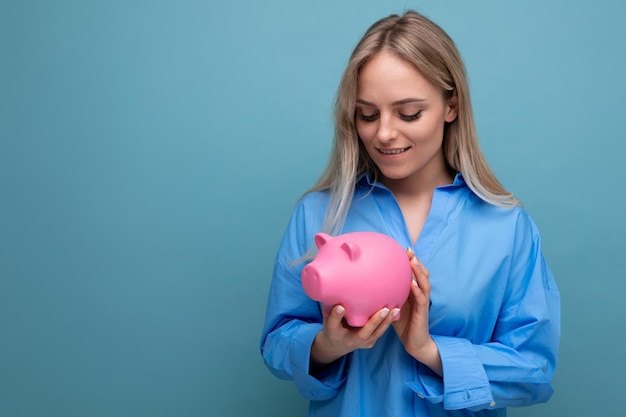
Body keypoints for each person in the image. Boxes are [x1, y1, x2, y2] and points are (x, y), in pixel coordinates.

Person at [260, 10, 560, 417]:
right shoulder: (319, 215)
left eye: (409, 113)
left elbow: (534, 370)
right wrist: (329, 344)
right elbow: (278, 340)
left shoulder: (506, 227)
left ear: (450, 106)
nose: (383, 133)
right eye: (367, 114)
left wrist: (429, 350)